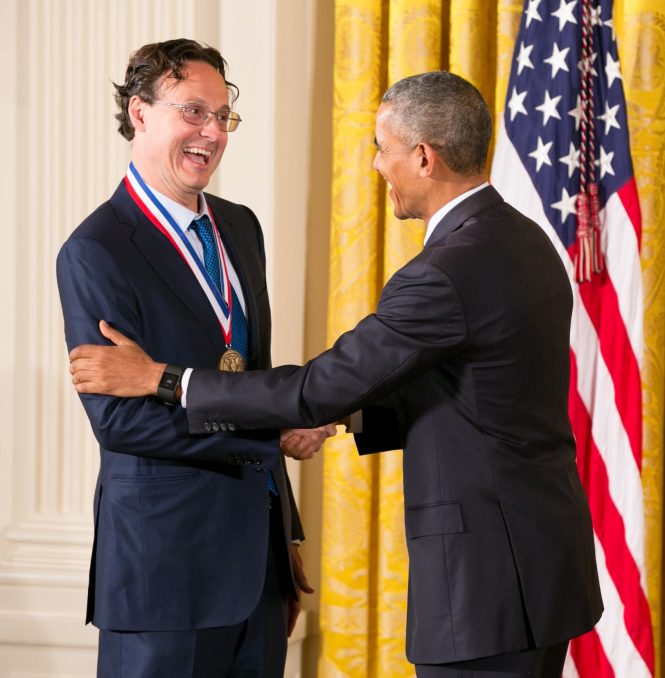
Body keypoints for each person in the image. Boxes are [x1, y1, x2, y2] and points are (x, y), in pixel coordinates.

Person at [69, 71, 603, 677]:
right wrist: (339, 420)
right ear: (140, 115)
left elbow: (313, 387)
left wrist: (164, 379)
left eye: (383, 149)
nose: (377, 165)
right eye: (195, 112)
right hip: (535, 572)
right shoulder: (524, 239)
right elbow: (465, 392)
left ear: (423, 157)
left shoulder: (445, 269)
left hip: (487, 587)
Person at [57, 38, 334, 678]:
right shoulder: (96, 249)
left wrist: (285, 535)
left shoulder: (241, 227)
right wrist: (272, 434)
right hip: (164, 575)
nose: (212, 133)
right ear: (141, 113)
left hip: (259, 572)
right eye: (194, 113)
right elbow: (120, 422)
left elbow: (252, 378)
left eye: (222, 117)